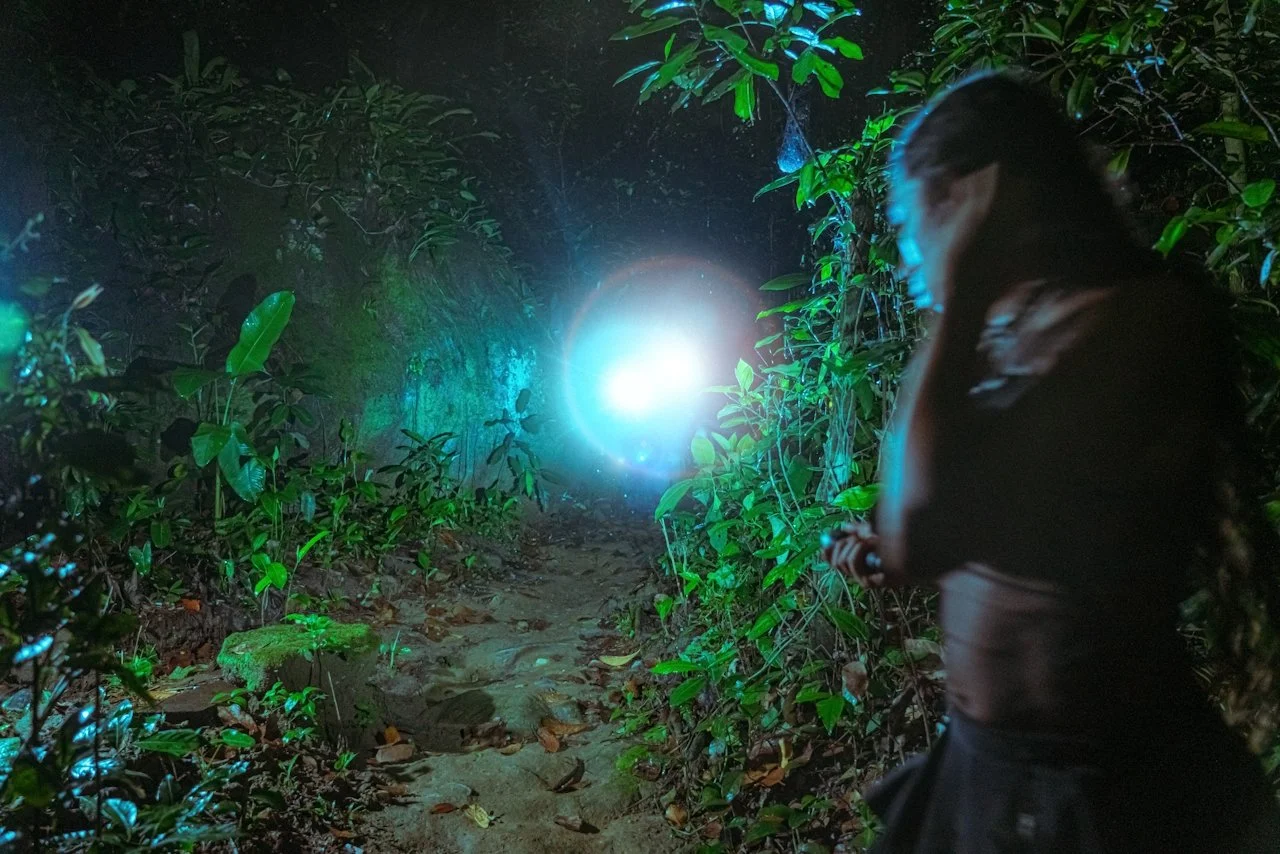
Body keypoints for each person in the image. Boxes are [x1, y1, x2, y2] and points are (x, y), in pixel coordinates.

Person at [822, 70, 1280, 853]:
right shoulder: (1010, 335)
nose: (905, 256)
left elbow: (926, 526)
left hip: (1104, 787)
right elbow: (949, 531)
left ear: (985, 200)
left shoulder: (1141, 322)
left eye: (912, 220)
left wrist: (957, 296)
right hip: (988, 765)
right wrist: (893, 552)